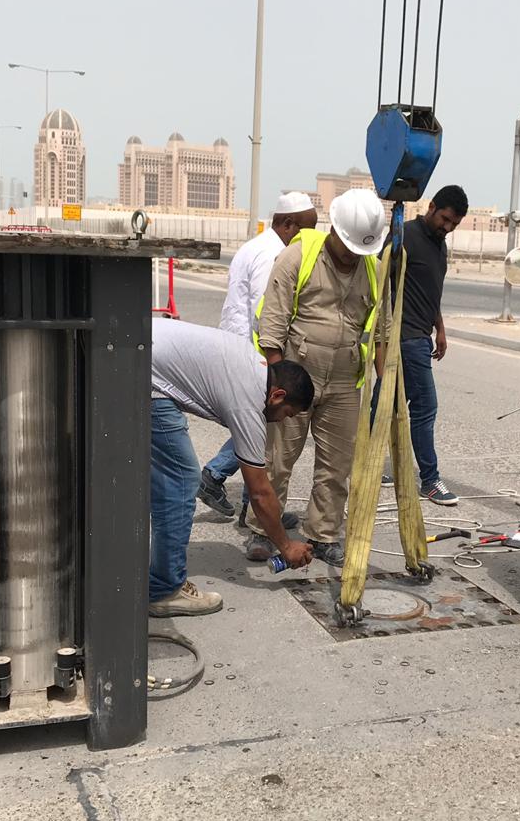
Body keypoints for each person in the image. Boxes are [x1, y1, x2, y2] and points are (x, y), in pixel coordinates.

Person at [244, 188, 389, 568]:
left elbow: (383, 331)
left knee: (337, 464)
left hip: (344, 379)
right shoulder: (298, 256)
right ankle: (262, 530)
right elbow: (272, 324)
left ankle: (323, 534)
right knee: (278, 459)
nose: (353, 255)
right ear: (334, 229)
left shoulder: (374, 268)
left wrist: (386, 388)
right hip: (296, 373)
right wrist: (279, 381)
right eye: (349, 245)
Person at [149, 319, 314, 617]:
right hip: (147, 377)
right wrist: (287, 546)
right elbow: (259, 493)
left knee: (159, 479)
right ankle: (164, 589)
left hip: (133, 351)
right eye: (288, 413)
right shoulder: (249, 401)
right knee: (182, 481)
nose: (284, 420)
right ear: (277, 396)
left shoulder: (253, 364)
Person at [198, 192, 319, 521]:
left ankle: (248, 506)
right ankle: (221, 479)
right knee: (261, 429)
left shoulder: (255, 246)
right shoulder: (274, 254)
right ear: (288, 223)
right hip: (255, 352)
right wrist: (276, 362)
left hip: (239, 344)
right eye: (306, 229)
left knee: (258, 428)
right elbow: (265, 311)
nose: (309, 238)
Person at [373, 185, 468, 505]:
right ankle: (430, 479)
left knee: (383, 402)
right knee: (425, 406)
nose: (448, 227)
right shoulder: (405, 236)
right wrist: (382, 339)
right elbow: (381, 281)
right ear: (431, 208)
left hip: (422, 333)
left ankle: (368, 464)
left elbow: (431, 292)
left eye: (454, 224)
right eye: (445, 219)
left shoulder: (440, 245)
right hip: (405, 336)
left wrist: (440, 328)